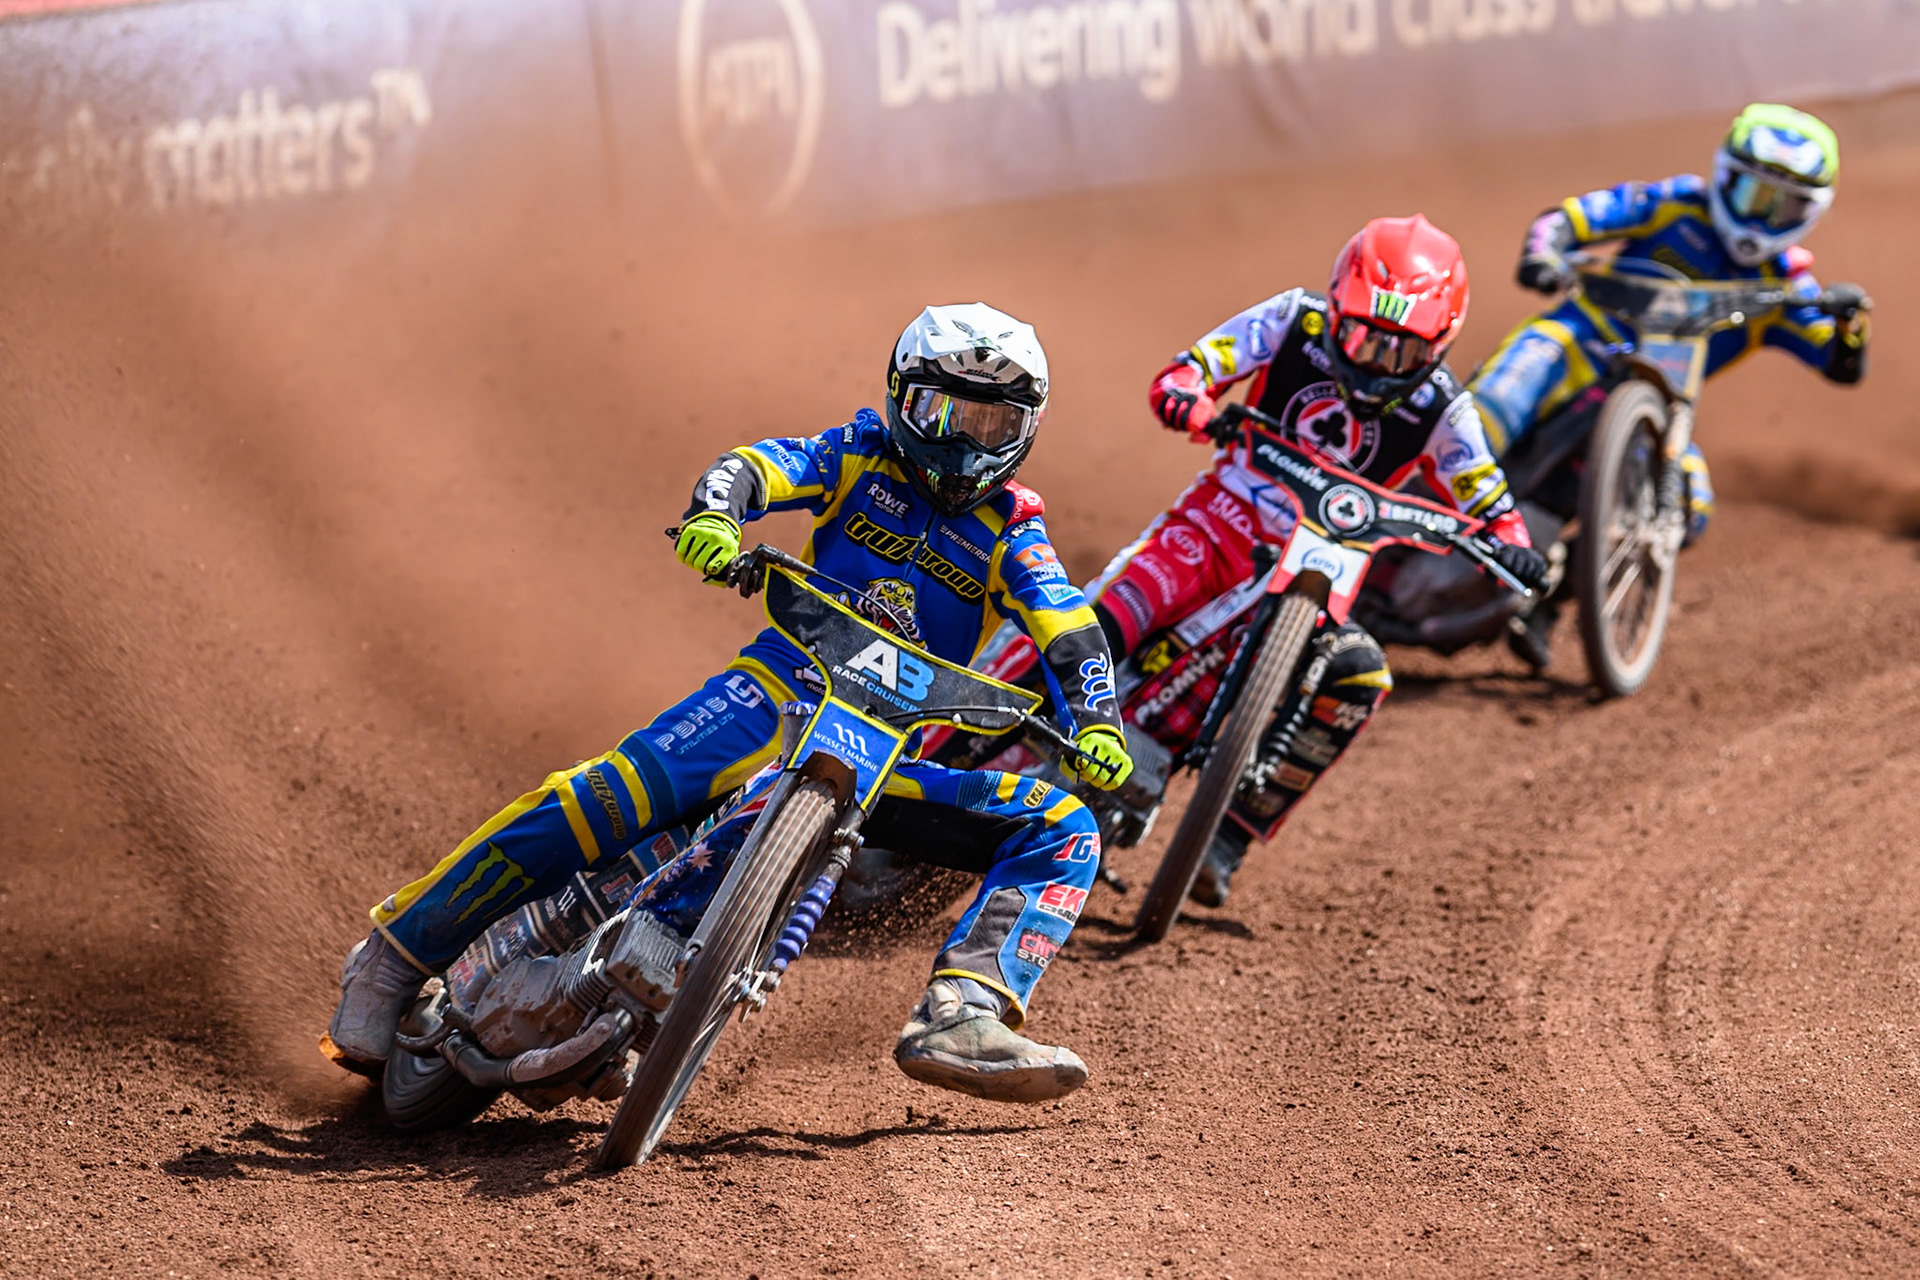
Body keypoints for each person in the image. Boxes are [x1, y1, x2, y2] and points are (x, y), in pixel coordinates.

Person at [323, 303, 1136, 1103]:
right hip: (774, 694)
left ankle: (966, 1013)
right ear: (900, 397)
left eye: (990, 424)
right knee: (600, 797)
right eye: (942, 413)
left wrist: (1095, 718)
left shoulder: (1012, 533)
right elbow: (756, 467)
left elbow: (1068, 626)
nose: (962, 443)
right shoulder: (859, 455)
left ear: (1026, 429)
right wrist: (715, 515)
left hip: (885, 760)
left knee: (1065, 827)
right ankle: (395, 955)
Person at [984, 215, 1547, 909]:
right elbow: (1193, 369)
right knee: (1092, 629)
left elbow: (1489, 498)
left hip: (1323, 580)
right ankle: (930, 751)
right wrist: (1189, 402)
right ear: (1336, 308)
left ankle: (1223, 840)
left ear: (1439, 346)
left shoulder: (1444, 410)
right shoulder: (1293, 320)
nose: (1374, 364)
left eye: (1399, 354)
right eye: (1363, 336)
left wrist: (1513, 546)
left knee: (1359, 677)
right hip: (1216, 524)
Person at [1471, 101, 1871, 552]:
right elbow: (1565, 220)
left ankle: (1565, 587)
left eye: (1784, 205)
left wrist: (1850, 323)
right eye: (1753, 195)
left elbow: (1839, 364)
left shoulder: (1786, 285)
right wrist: (1541, 259)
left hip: (1657, 409)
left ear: (1812, 211)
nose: (1761, 218)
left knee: (1688, 507)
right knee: (1495, 406)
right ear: (1724, 177)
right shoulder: (1673, 204)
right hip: (1575, 342)